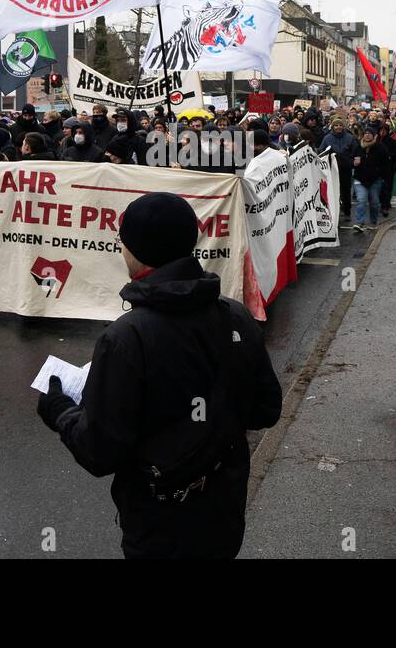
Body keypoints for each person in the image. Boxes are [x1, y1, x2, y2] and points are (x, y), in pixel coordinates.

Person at [36, 192, 282, 559]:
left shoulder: (126, 337)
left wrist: (59, 410)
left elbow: (99, 451)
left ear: (136, 250)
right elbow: (266, 409)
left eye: (123, 241)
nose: (121, 249)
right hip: (224, 509)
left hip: (159, 524)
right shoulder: (235, 315)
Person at [351, 127, 389, 232]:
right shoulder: (358, 147)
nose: (367, 135)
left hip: (375, 180)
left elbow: (386, 164)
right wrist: (354, 163)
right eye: (365, 133)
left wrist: (383, 177)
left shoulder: (380, 147)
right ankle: (360, 222)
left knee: (375, 202)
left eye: (369, 133)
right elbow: (351, 159)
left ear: (374, 135)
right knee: (361, 200)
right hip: (360, 179)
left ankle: (373, 222)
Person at [319, 117, 357, 217]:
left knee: (346, 191)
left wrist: (352, 161)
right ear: (333, 127)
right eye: (336, 125)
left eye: (340, 125)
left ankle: (347, 211)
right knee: (334, 191)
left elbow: (355, 151)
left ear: (343, 126)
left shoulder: (350, 137)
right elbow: (321, 151)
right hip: (333, 169)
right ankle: (335, 211)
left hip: (346, 168)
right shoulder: (327, 138)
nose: (338, 127)